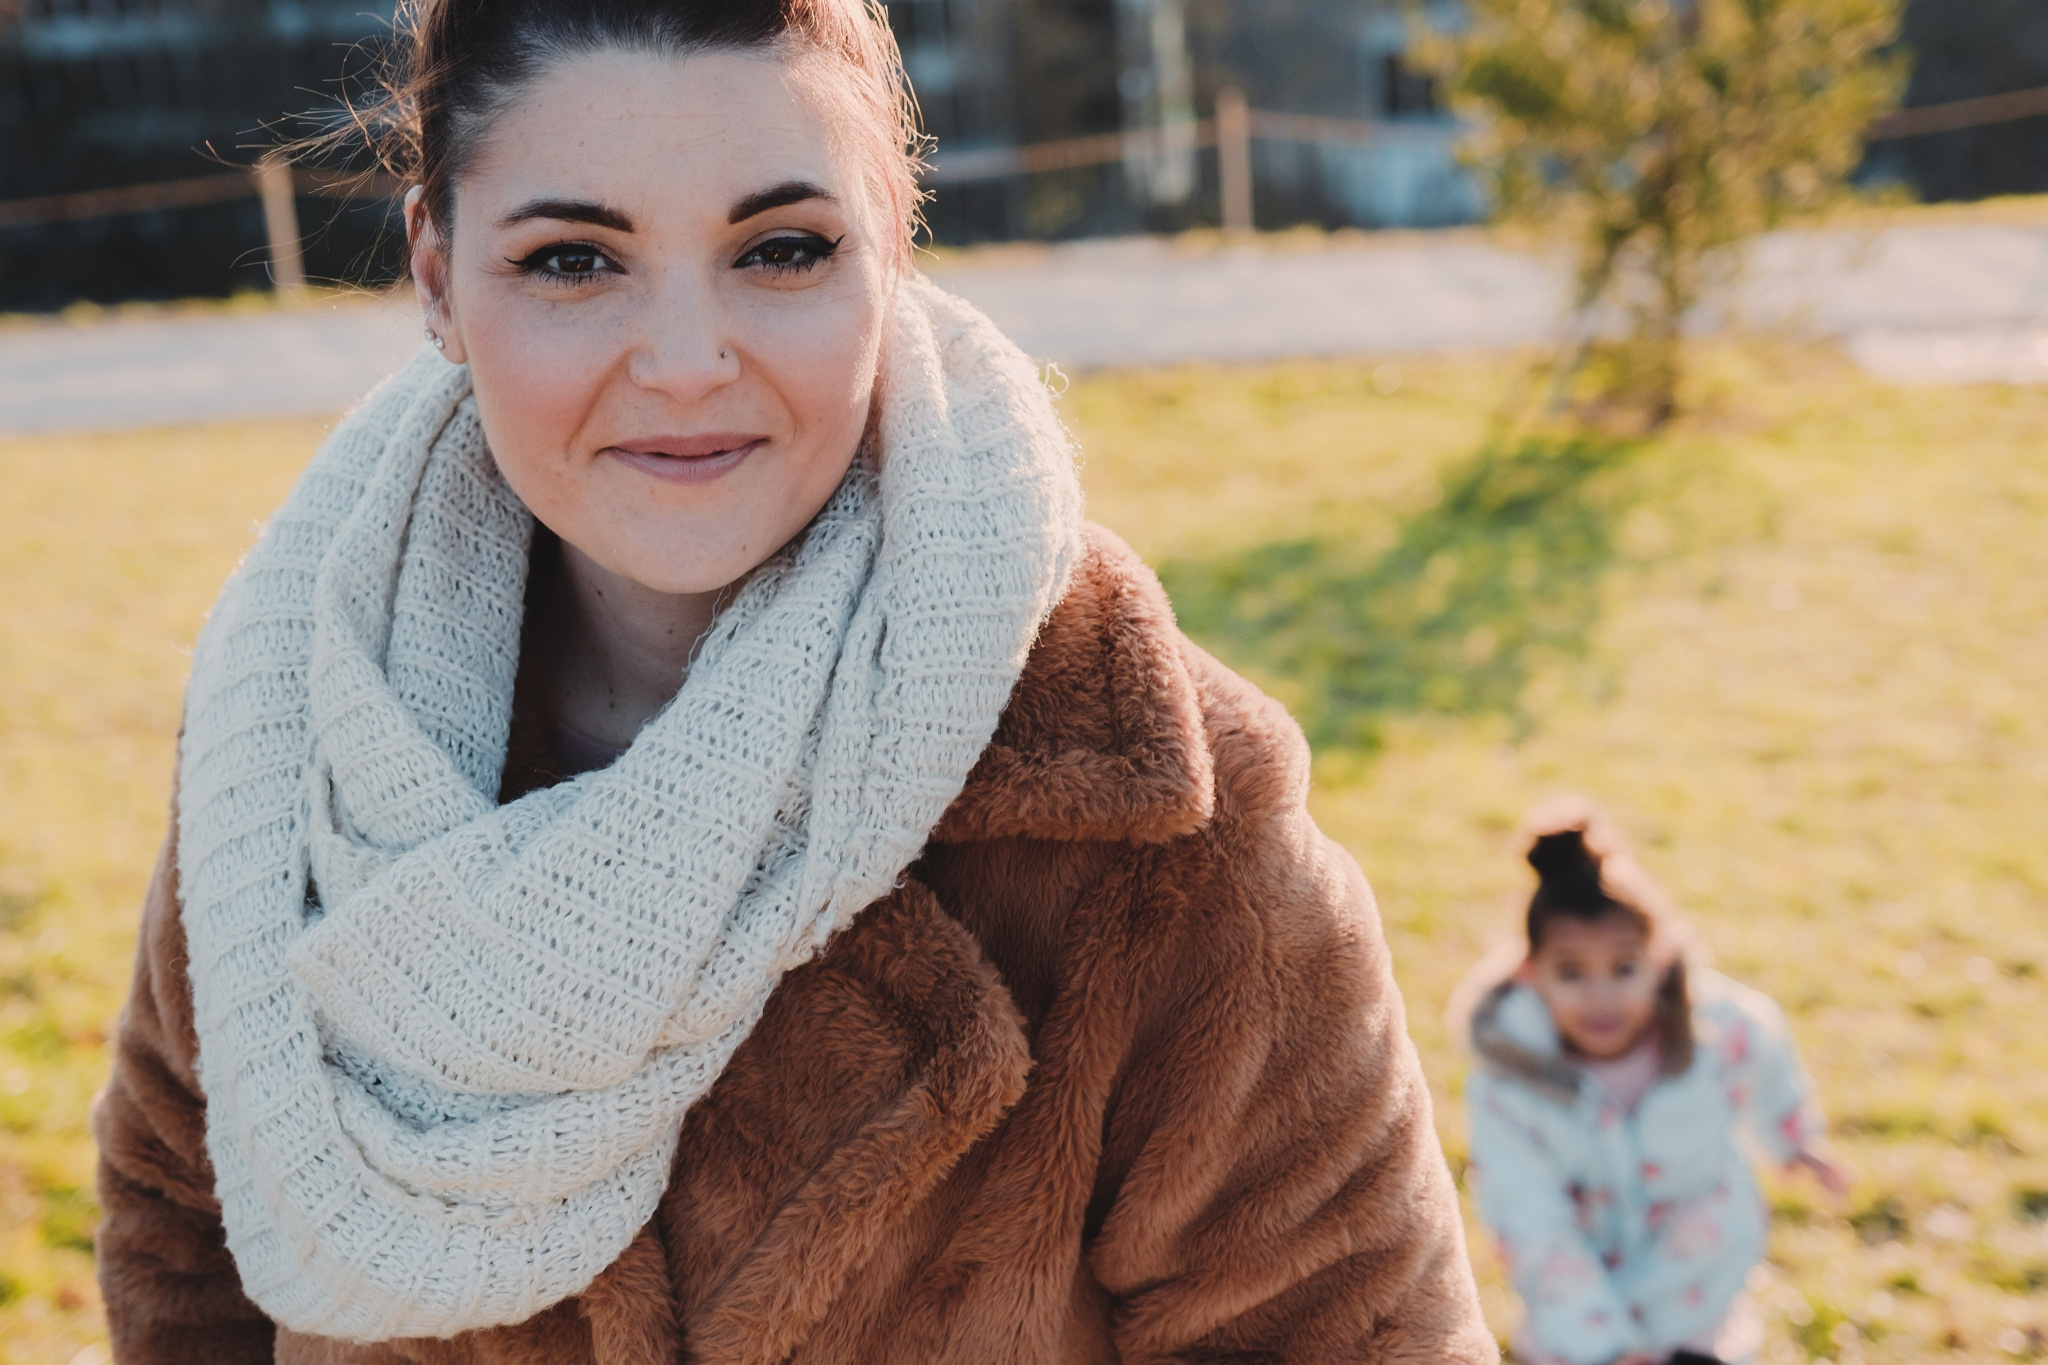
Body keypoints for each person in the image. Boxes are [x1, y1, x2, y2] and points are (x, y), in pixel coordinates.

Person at [90, 2, 1495, 1360]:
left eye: (783, 249)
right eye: (574, 262)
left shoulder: (1162, 831)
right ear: (439, 277)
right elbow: (181, 1218)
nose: (691, 363)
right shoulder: (305, 722)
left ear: (893, 246)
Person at [1460, 799, 1850, 1365]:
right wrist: (1606, 1348)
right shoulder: (1511, 1084)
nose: (1602, 998)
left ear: (1660, 959)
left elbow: (1765, 1058)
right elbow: (1528, 1216)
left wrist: (1792, 1137)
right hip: (1577, 1301)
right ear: (1531, 973)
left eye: (1623, 968)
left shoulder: (1718, 1033)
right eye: (1571, 973)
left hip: (1694, 1278)